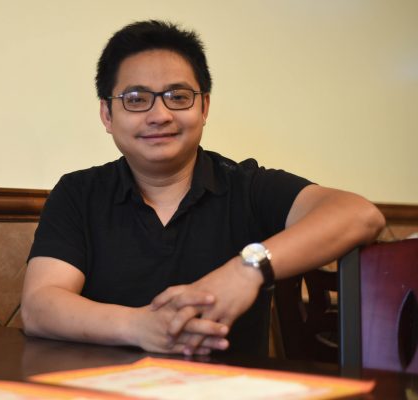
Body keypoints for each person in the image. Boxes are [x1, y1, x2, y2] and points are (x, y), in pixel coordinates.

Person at [20, 20, 385, 357]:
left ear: (204, 106)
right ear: (107, 115)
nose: (160, 115)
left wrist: (247, 269)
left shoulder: (247, 187)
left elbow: (359, 215)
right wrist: (141, 327)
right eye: (136, 99)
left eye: (178, 96)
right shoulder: (78, 193)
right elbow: (39, 306)